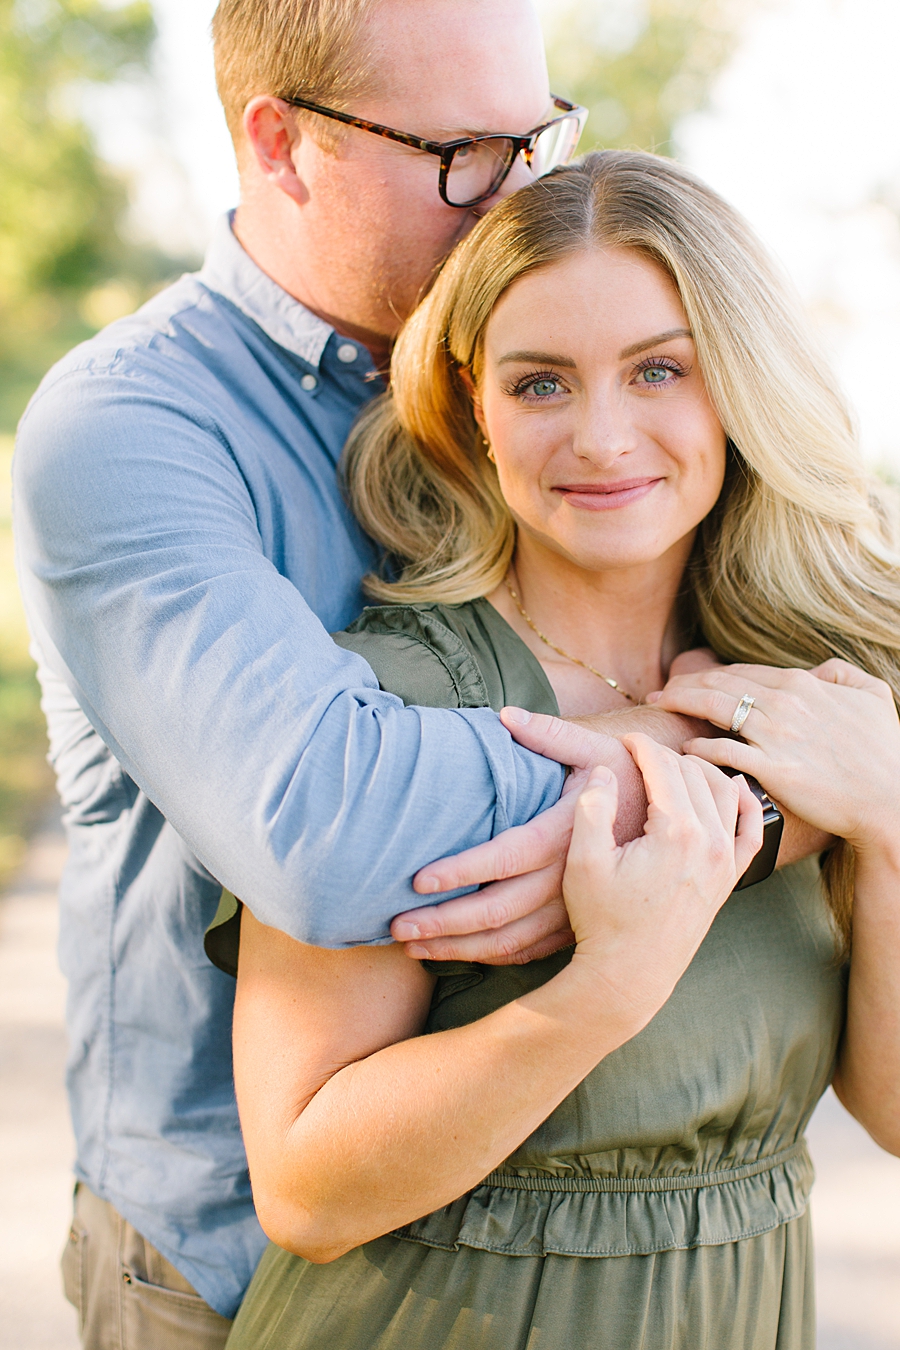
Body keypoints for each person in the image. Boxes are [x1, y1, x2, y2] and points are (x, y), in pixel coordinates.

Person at [12, 2, 767, 1345]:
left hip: (527, 1247)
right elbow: (332, 826)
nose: (516, 197)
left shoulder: (543, 370)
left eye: (537, 137)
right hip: (222, 1269)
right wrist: (730, 759)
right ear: (281, 144)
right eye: (462, 152)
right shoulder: (128, 429)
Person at [207, 151, 900, 1350]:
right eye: (540, 385)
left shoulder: (817, 698)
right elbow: (308, 1189)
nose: (602, 435)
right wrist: (603, 993)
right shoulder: (393, 705)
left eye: (659, 369)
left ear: (738, 381)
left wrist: (887, 824)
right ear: (471, 405)